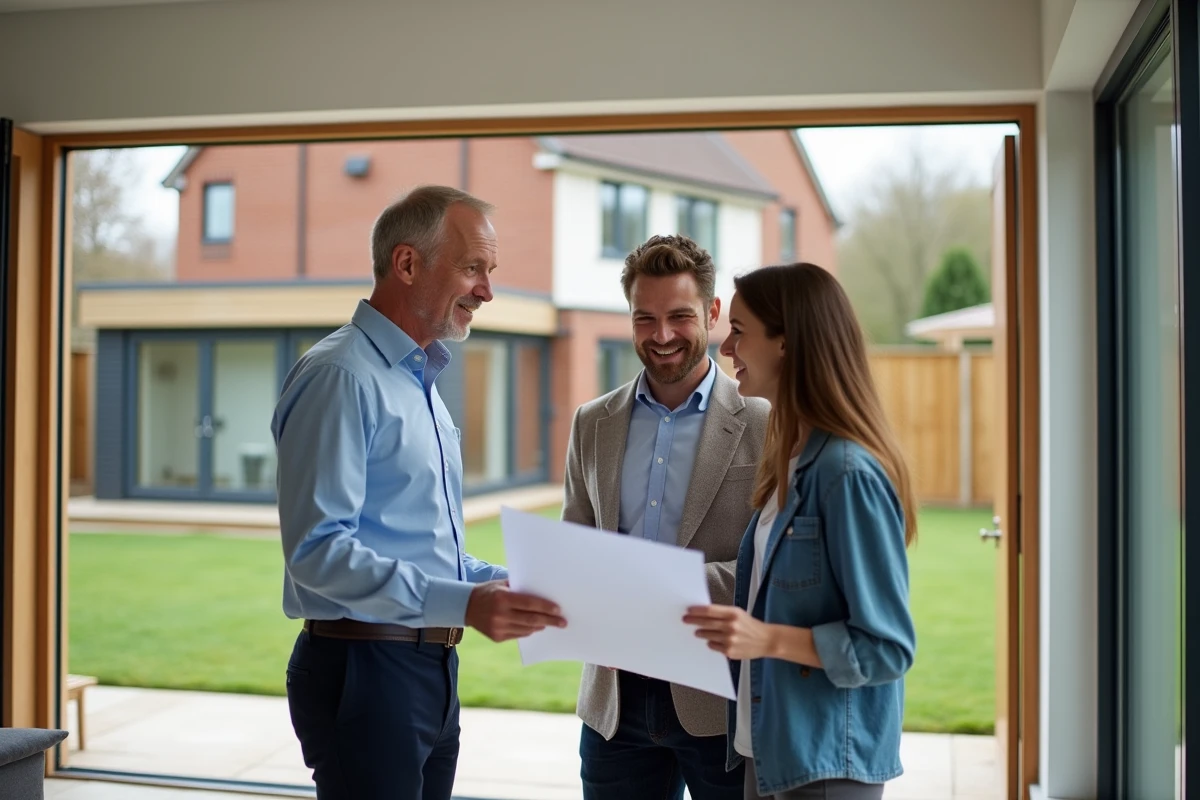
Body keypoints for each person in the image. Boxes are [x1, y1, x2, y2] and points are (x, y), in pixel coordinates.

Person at [271, 185, 566, 800]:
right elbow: (318, 552)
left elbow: (421, 545)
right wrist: (464, 605)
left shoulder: (419, 382)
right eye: (472, 268)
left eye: (490, 271)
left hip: (428, 668)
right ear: (407, 264)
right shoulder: (341, 376)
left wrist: (500, 584)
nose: (487, 290)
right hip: (364, 672)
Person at [684, 262, 917, 800]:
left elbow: (887, 648)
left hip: (827, 767)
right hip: (767, 751)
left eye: (739, 331)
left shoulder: (846, 474)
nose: (725, 349)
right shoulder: (788, 462)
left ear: (786, 342)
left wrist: (763, 638)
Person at [561, 234, 770, 800]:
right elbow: (575, 548)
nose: (662, 336)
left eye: (680, 316)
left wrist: (659, 584)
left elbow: (773, 568)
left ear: (712, 312)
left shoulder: (764, 422)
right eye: (644, 318)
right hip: (614, 705)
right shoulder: (591, 423)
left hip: (720, 702)